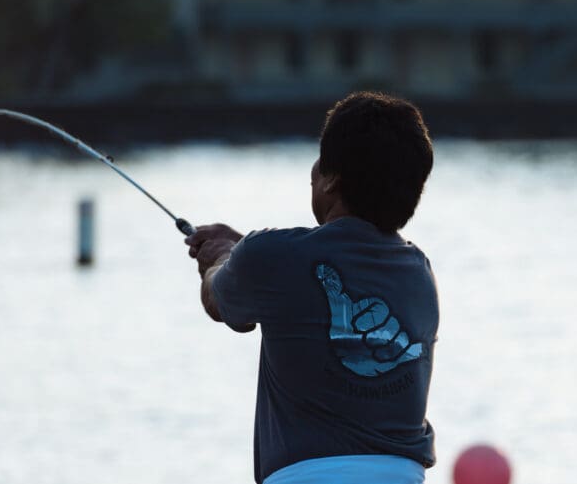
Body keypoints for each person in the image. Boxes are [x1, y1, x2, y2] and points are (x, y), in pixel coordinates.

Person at [185, 91, 438, 484]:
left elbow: (220, 300)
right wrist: (243, 254)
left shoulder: (269, 256)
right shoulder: (419, 274)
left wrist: (220, 257)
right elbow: (308, 268)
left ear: (332, 179)